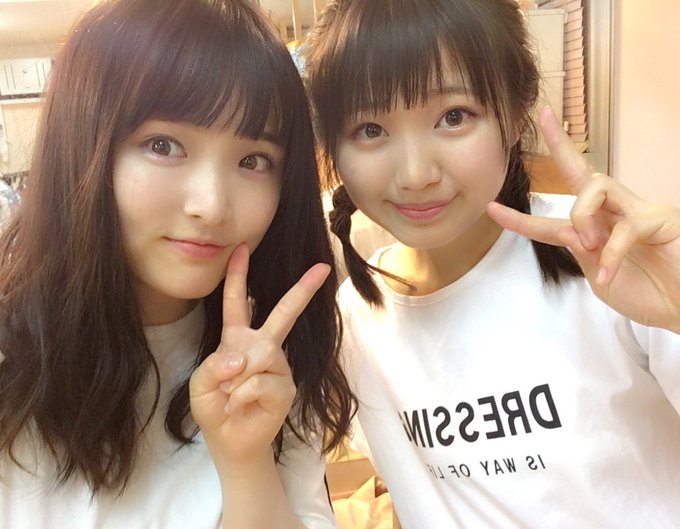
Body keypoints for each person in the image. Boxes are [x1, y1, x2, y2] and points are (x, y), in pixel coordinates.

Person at [303, 0, 680, 527]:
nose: (415, 174)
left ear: (517, 112)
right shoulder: (354, 324)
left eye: (453, 117)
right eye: (370, 129)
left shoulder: (615, 256)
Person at [0, 1, 355, 528]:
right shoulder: (14, 363)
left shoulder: (271, 357)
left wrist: (246, 463)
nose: (211, 206)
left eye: (253, 160)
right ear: (82, 145)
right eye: (163, 145)